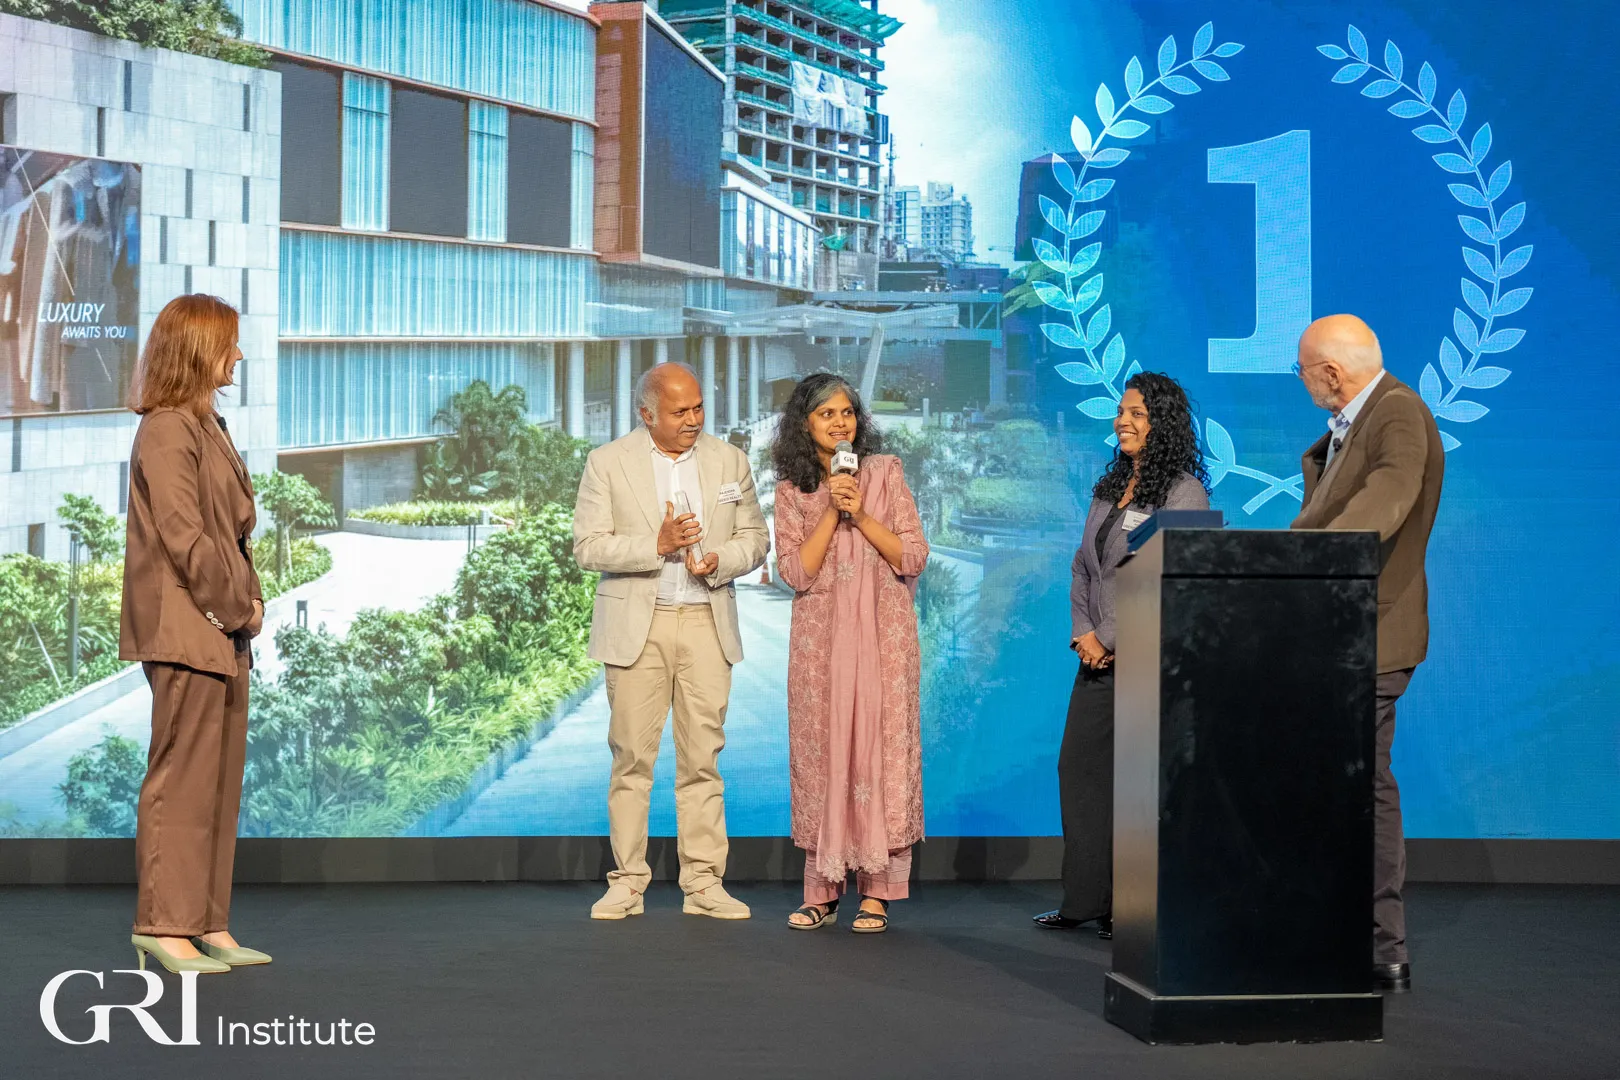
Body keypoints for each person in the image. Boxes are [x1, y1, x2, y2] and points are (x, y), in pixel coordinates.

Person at [573, 362, 770, 920]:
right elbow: (588, 547)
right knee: (632, 758)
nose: (693, 420)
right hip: (640, 625)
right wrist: (654, 545)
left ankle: (704, 884)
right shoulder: (607, 463)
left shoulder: (730, 460)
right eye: (680, 411)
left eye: (698, 408)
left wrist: (720, 560)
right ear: (647, 413)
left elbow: (757, 539)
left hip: (707, 621)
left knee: (702, 759)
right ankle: (627, 882)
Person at [1290, 314, 1444, 995]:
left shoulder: (1398, 412)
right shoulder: (1350, 425)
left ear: (1330, 372)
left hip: (1371, 637)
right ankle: (1339, 931)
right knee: (1339, 785)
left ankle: (1382, 945)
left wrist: (1308, 560)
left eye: (1302, 371)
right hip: (1336, 635)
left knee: (1363, 788)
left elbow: (1387, 499)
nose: (1302, 383)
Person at [119, 294, 268, 975]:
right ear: (200, 346)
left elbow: (232, 532)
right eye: (230, 342)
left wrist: (250, 599)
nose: (238, 354)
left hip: (222, 627)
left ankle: (208, 921)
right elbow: (185, 539)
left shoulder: (210, 424)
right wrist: (237, 605)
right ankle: (164, 924)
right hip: (188, 626)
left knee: (218, 781)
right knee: (181, 779)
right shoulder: (166, 429)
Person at [1034, 372, 1210, 938]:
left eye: (1135, 413)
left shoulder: (1184, 492)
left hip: (1150, 662)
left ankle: (1130, 908)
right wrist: (1083, 631)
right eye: (1120, 411)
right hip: (1095, 660)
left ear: (1163, 423)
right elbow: (1083, 566)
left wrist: (1107, 636)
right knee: (1080, 772)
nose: (1122, 421)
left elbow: (1158, 578)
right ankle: (1085, 901)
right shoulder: (1111, 485)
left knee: (1138, 786)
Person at [771, 373, 929, 934]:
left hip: (884, 641)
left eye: (846, 413)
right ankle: (822, 891)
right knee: (826, 755)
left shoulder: (884, 473)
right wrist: (830, 512)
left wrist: (860, 512)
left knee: (878, 755)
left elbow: (912, 555)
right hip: (822, 647)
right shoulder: (792, 489)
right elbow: (795, 572)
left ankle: (878, 893)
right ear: (804, 425)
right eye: (825, 415)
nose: (840, 424)